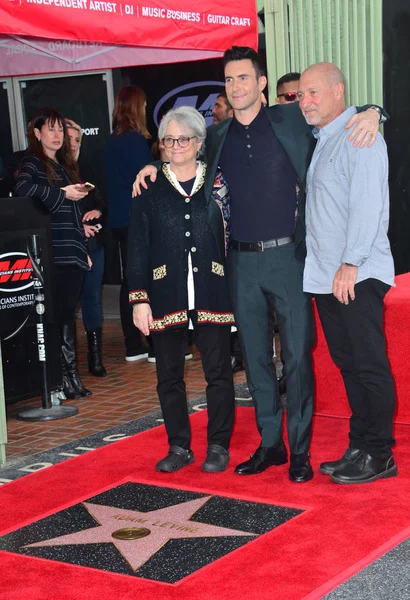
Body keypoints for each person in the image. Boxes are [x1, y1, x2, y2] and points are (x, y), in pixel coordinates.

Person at [133, 46, 382, 483]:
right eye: (229, 80)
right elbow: (182, 154)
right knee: (255, 359)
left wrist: (374, 111)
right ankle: (272, 445)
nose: (237, 87)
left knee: (297, 359)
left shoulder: (293, 121)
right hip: (240, 264)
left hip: (290, 259)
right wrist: (152, 167)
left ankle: (301, 450)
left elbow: (335, 117)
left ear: (261, 83)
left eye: (244, 78)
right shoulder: (217, 135)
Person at [298, 63, 397, 485]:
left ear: (339, 91)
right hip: (327, 276)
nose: (305, 102)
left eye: (313, 93)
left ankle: (380, 454)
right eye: (300, 94)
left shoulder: (360, 135)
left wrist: (351, 264)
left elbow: (369, 205)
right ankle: (360, 446)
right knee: (350, 365)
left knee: (369, 365)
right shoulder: (324, 137)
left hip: (355, 273)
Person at [128, 106, 235, 474]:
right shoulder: (149, 186)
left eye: (183, 139)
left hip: (213, 289)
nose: (175, 146)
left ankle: (218, 444)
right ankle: (178, 445)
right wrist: (138, 298)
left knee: (218, 372)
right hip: (165, 292)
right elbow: (137, 244)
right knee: (168, 376)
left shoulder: (219, 182)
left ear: (199, 143)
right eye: (168, 140)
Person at [14, 107, 92, 400]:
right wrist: (62, 194)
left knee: (67, 314)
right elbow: (22, 189)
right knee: (57, 315)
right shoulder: (33, 162)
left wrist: (82, 248)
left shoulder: (64, 165)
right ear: (37, 133)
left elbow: (73, 214)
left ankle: (71, 378)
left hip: (70, 249)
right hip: (51, 252)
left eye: (61, 130)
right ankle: (60, 381)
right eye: (51, 129)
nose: (58, 135)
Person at [105, 85, 153, 362]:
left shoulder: (112, 141)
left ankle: (133, 343)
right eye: (144, 104)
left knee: (129, 278)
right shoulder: (134, 141)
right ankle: (154, 343)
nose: (146, 109)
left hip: (120, 219)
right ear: (137, 107)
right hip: (137, 217)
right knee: (145, 275)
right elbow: (147, 182)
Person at [66, 118, 107, 377]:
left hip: (93, 243)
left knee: (92, 299)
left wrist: (97, 210)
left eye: (77, 140)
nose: (72, 144)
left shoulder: (87, 168)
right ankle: (68, 367)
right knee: (68, 303)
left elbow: (103, 201)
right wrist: (77, 227)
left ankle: (95, 359)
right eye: (68, 138)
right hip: (68, 246)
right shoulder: (53, 172)